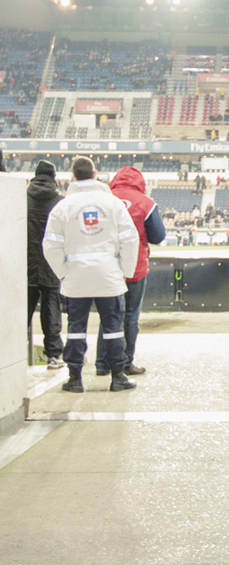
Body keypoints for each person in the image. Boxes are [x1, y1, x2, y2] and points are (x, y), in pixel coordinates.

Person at [43, 156, 139, 393]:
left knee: (76, 329)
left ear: (73, 176)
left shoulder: (63, 207)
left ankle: (75, 378)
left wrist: (63, 273)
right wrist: (124, 272)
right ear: (95, 174)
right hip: (109, 277)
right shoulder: (113, 204)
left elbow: (51, 245)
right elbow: (130, 239)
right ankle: (118, 377)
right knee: (114, 327)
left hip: (76, 279)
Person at [95, 166, 165, 377]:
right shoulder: (146, 203)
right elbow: (158, 236)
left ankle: (102, 363)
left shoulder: (102, 199)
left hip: (106, 266)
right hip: (135, 266)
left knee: (107, 315)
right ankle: (125, 362)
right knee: (130, 316)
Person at [26, 160, 64, 369]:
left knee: (23, 311)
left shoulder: (21, 198)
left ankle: (13, 354)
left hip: (25, 264)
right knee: (51, 310)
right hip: (51, 264)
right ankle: (53, 356)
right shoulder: (60, 202)